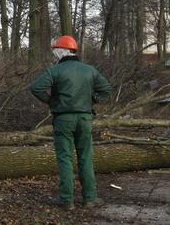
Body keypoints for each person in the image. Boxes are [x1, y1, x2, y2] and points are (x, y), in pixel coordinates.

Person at [29, 35, 111, 210]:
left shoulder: (55, 71)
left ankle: (67, 200)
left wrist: (51, 101)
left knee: (65, 158)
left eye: (55, 52)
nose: (54, 55)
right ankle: (90, 198)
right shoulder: (89, 70)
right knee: (86, 157)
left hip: (63, 119)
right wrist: (93, 99)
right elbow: (106, 89)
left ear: (60, 52)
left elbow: (36, 87)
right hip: (85, 118)